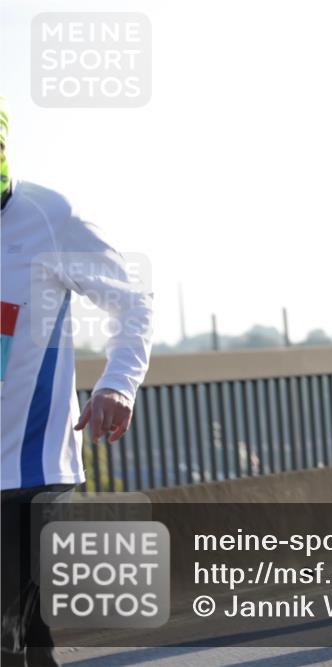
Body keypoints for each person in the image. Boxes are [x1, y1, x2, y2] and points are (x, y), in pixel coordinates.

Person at [1, 98, 153, 666]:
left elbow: (134, 298)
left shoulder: (48, 215)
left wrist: (117, 383)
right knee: (25, 637)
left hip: (33, 466)